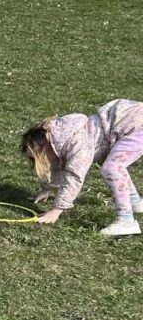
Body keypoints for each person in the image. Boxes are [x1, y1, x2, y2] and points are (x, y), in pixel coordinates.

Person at [23, 98, 143, 236]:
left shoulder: (78, 146)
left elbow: (74, 178)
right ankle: (135, 201)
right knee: (115, 164)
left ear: (44, 146)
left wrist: (57, 209)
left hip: (137, 126)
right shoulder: (61, 136)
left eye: (35, 158)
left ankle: (126, 221)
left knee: (112, 168)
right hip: (129, 120)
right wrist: (46, 189)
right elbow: (57, 168)